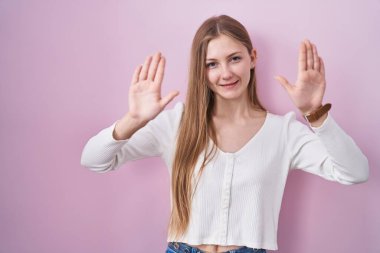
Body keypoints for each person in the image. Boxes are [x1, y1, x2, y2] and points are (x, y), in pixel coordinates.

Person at [80, 15, 369, 253]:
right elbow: (94, 160)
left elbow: (355, 172)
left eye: (234, 58)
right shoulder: (177, 124)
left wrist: (315, 113)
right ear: (201, 71)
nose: (225, 73)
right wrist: (133, 119)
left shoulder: (283, 132)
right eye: (212, 64)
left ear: (252, 57)